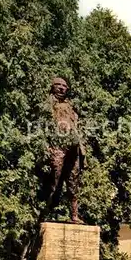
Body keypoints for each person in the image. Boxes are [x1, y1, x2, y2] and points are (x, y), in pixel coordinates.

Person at [42, 77, 85, 223]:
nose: (61, 88)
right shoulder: (47, 105)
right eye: (58, 85)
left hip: (73, 149)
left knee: (73, 184)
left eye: (64, 86)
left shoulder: (71, 106)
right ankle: (44, 212)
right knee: (53, 181)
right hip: (57, 147)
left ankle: (74, 215)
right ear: (52, 87)